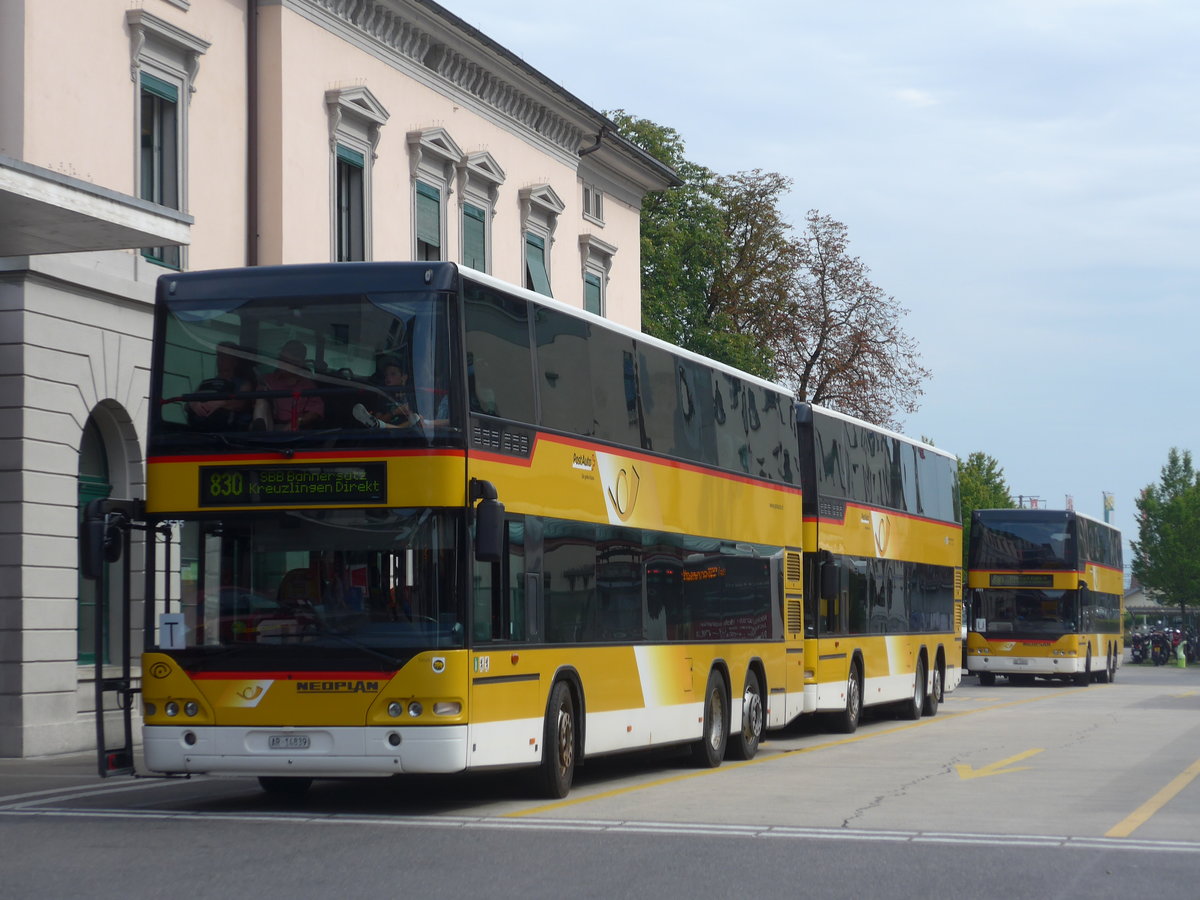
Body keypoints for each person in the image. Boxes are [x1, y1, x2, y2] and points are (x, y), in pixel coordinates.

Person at [254, 340, 324, 430]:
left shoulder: (308, 385)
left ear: (299, 363)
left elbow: (316, 411)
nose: (282, 364)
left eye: (287, 361)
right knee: (261, 401)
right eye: (281, 359)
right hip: (268, 424)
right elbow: (255, 402)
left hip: (296, 428)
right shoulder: (268, 379)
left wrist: (298, 421)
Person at [186, 342, 256, 430]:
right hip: (200, 431)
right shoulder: (206, 383)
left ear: (235, 361)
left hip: (229, 433)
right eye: (219, 355)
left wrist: (221, 403)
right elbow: (190, 400)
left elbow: (240, 403)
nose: (220, 360)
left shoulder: (244, 383)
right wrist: (193, 404)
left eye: (225, 356)